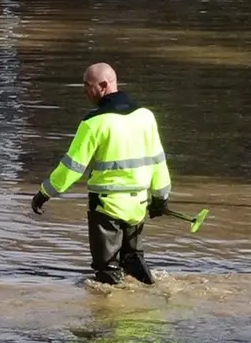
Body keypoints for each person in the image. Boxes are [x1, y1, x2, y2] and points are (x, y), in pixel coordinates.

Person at [31, 64, 172, 286]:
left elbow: (72, 168)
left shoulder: (94, 123)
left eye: (88, 86)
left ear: (104, 86)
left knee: (107, 270)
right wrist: (161, 197)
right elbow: (158, 160)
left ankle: (111, 316)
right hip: (138, 205)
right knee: (133, 258)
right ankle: (151, 296)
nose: (84, 91)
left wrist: (44, 192)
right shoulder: (146, 116)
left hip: (107, 207)